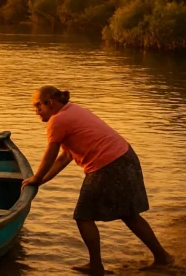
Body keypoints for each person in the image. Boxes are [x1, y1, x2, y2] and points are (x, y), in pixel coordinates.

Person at [23, 86, 174, 275]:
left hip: (108, 165)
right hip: (125, 157)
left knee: (83, 216)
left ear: (50, 103)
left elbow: (51, 155)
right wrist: (40, 181)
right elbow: (65, 156)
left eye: (38, 106)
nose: (35, 110)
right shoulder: (72, 110)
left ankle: (96, 266)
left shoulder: (57, 121)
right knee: (130, 214)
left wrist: (36, 178)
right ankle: (162, 257)